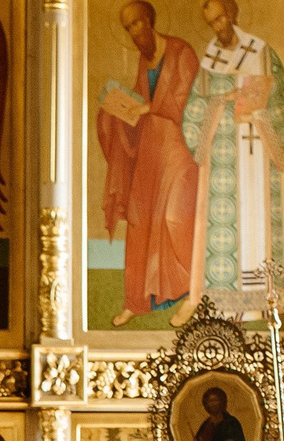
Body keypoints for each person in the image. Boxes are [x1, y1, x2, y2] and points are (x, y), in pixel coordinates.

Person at [180, 0, 284, 306]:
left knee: (257, 217)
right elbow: (194, 109)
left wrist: (259, 111)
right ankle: (220, 298)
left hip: (257, 150)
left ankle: (264, 298)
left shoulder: (263, 54)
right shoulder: (209, 62)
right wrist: (222, 101)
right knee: (221, 226)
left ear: (232, 14)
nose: (217, 28)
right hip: (221, 157)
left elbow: (282, 102)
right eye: (211, 23)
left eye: (220, 19)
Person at [96, 0, 200, 325]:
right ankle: (135, 301)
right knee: (140, 219)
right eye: (128, 29)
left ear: (149, 19)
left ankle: (189, 293)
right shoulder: (145, 58)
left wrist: (148, 107)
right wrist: (121, 109)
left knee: (172, 218)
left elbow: (188, 98)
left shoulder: (182, 51)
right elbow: (143, 101)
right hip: (151, 148)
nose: (133, 33)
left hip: (180, 148)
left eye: (136, 24)